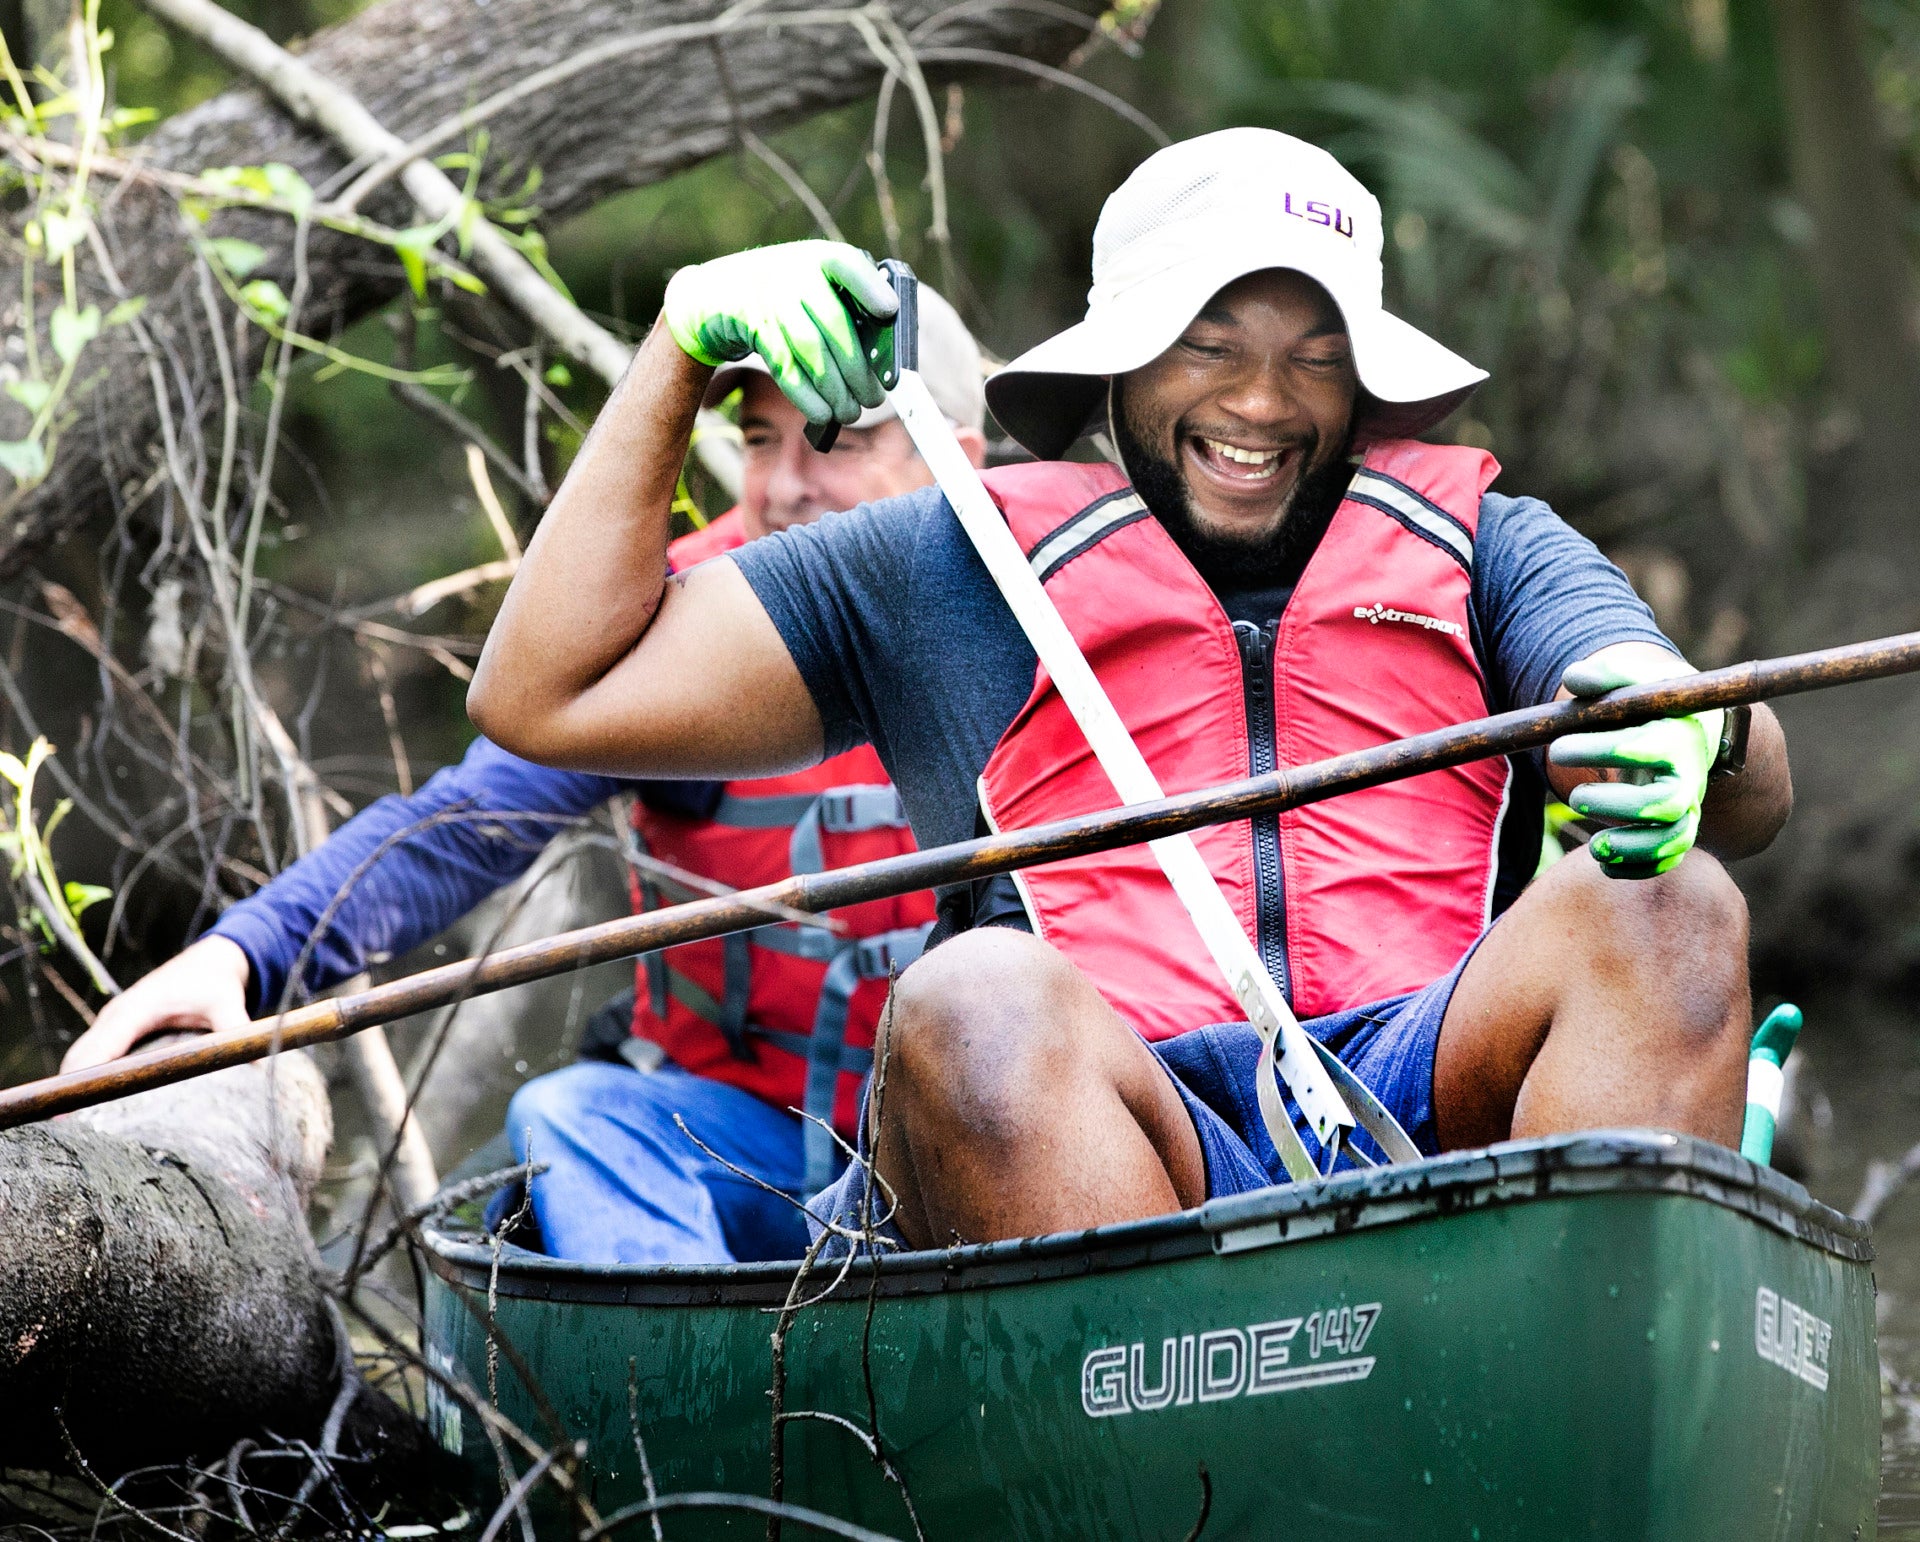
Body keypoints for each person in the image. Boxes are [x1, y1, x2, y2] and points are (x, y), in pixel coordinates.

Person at [467, 127, 1793, 1254]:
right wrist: (678, 349)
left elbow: (1746, 783)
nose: (1263, 402)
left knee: (1669, 901)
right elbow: (547, 697)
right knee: (970, 994)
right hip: (1110, 1124)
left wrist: (1696, 721)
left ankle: (1574, 1389)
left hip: (1425, 1106)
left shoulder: (1490, 541)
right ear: (1123, 363)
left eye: (1313, 354)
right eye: (1209, 346)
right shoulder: (949, 562)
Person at [59, 288, 991, 1265]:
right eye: (761, 439)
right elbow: (468, 823)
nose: (784, 486)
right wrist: (243, 953)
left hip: (971, 1137)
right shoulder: (668, 617)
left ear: (958, 466)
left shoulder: (1051, 601)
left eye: (835, 441)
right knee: (568, 1115)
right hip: (743, 1143)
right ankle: (704, 1389)